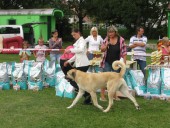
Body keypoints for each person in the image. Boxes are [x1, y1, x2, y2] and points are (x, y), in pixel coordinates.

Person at [64, 28, 91, 104]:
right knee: (78, 82)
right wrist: (68, 61)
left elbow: (81, 50)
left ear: (78, 33)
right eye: (72, 35)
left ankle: (87, 94)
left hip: (83, 64)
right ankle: (87, 96)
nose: (73, 36)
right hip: (80, 64)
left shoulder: (82, 41)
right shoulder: (78, 42)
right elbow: (77, 55)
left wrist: (70, 50)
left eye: (74, 34)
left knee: (72, 80)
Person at [100, 25, 127, 101]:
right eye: (109, 32)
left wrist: (123, 64)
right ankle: (102, 96)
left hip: (117, 63)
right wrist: (106, 45)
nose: (110, 34)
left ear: (115, 32)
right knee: (104, 79)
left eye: (111, 32)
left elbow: (124, 52)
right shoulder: (106, 39)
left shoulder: (121, 40)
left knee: (115, 80)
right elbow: (102, 50)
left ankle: (114, 96)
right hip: (107, 62)